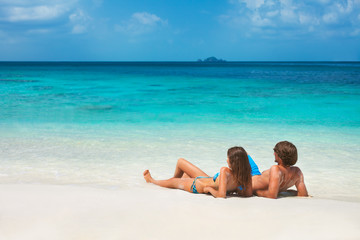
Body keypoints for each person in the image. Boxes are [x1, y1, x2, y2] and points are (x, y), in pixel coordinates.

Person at [143, 146, 260, 198]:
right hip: (206, 179)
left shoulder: (225, 170)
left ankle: (152, 180)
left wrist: (209, 190)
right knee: (181, 162)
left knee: (175, 181)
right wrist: (234, 190)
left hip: (197, 185)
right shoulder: (245, 176)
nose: (226, 159)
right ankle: (175, 181)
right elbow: (248, 194)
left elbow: (221, 195)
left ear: (234, 162)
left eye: (228, 158)